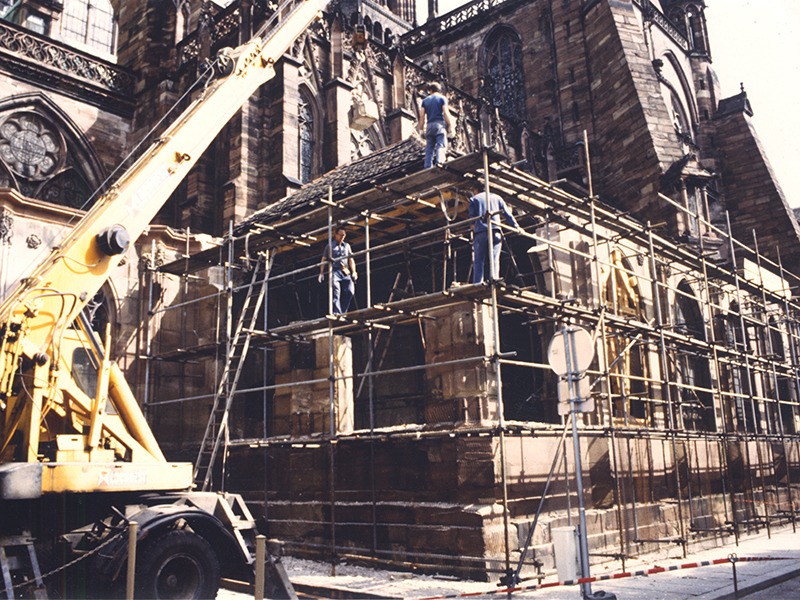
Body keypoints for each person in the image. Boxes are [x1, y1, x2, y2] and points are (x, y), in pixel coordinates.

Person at [468, 185, 519, 283]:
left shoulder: (474, 199)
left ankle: (478, 282)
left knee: (479, 259)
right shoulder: (497, 197)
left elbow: (472, 219)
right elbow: (508, 214)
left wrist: (474, 227)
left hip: (481, 232)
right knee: (495, 257)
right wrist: (516, 226)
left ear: (476, 189)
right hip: (496, 230)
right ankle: (494, 277)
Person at [319, 226, 357, 314]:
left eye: (344, 235)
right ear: (335, 235)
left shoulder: (347, 246)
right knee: (336, 292)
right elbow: (324, 259)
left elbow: (351, 259)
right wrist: (321, 273)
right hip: (335, 271)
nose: (342, 237)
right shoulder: (329, 246)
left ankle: (343, 311)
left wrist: (354, 271)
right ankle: (337, 312)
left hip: (345, 271)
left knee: (350, 291)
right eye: (340, 235)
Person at [420, 82, 454, 168]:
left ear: (430, 90)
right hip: (439, 125)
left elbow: (422, 116)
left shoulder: (425, 101)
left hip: (429, 126)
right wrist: (450, 125)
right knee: (441, 145)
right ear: (439, 90)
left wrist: (420, 129)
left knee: (429, 148)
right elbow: (445, 113)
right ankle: (439, 162)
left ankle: (427, 166)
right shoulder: (442, 98)